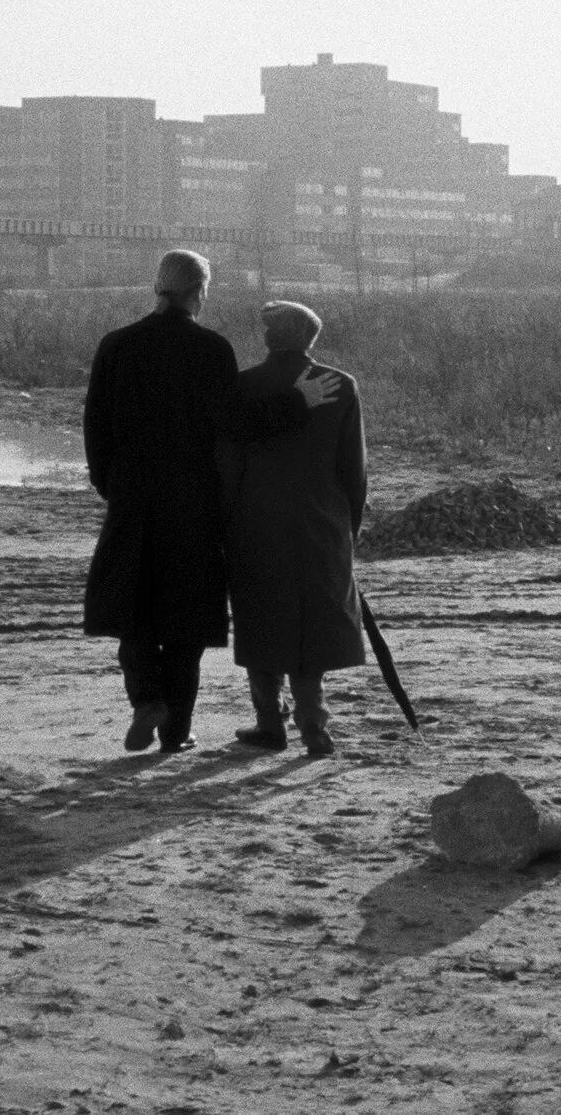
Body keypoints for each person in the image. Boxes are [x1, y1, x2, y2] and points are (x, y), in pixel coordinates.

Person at [83, 251, 340, 754]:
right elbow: (236, 423)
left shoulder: (116, 345)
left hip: (133, 500)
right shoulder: (210, 349)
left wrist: (112, 486)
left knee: (135, 610)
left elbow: (96, 427)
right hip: (192, 504)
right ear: (199, 292)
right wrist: (298, 402)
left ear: (158, 287)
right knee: (185, 622)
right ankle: (176, 732)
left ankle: (146, 700)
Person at [220, 300, 366, 757]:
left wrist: (225, 522)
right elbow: (353, 469)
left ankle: (270, 722)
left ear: (269, 338)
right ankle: (314, 726)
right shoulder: (341, 386)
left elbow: (227, 463)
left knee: (261, 618)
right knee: (311, 621)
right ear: (311, 339)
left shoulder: (242, 385)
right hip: (322, 520)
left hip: (254, 521)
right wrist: (349, 527)